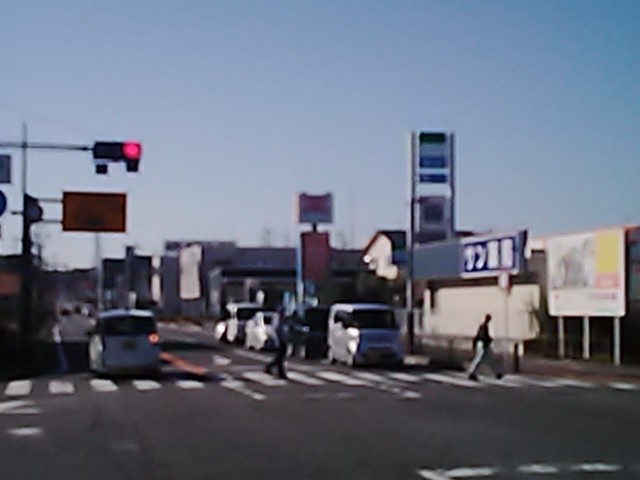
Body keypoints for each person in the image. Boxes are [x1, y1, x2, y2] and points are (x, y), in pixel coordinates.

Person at [468, 314, 503, 381]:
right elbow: (483, 336)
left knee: (483, 359)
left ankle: (473, 372)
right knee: (483, 359)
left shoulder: (483, 326)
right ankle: (472, 372)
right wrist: (489, 339)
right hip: (483, 344)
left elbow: (481, 335)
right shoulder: (484, 326)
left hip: (483, 344)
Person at [265, 307, 288, 379]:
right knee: (281, 356)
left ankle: (270, 366)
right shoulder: (277, 318)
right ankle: (280, 372)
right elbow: (275, 328)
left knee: (280, 356)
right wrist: (277, 339)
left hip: (283, 338)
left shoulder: (283, 319)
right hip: (280, 338)